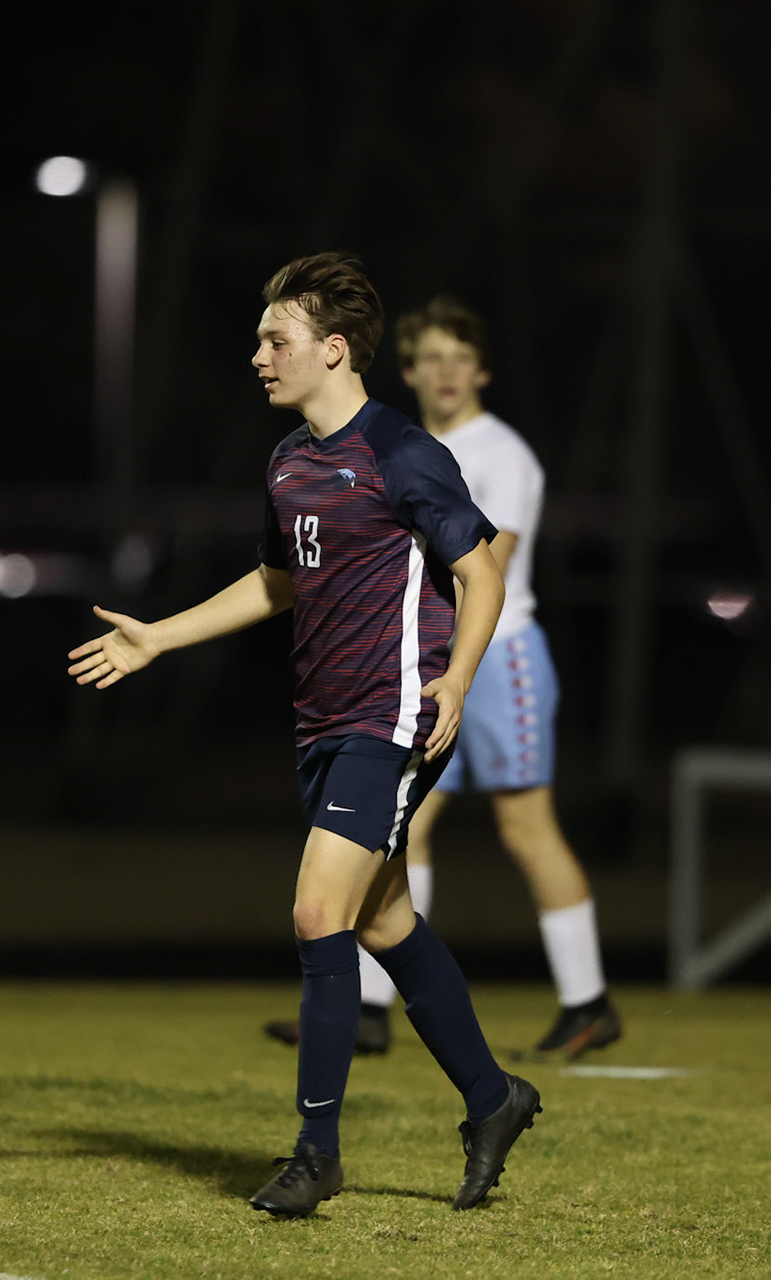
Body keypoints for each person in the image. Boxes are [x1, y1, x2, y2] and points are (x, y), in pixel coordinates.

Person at [68, 253, 541, 1217]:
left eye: (274, 341)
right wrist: (159, 635)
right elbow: (279, 583)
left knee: (319, 913)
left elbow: (481, 572)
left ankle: (316, 1153)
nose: (257, 357)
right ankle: (494, 1099)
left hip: (396, 714)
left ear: (333, 350)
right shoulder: (289, 462)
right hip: (323, 723)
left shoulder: (402, 451)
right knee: (383, 922)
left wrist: (456, 678)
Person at [262, 296, 619, 1060]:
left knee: (527, 830)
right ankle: (367, 1007)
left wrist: (441, 661)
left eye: (461, 360)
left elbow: (488, 568)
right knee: (399, 833)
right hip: (418, 665)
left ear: (481, 371)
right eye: (431, 360)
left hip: (497, 659)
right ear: (410, 369)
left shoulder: (501, 452)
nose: (446, 373)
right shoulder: (398, 443)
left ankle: (588, 1000)